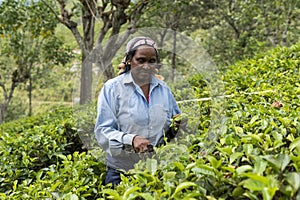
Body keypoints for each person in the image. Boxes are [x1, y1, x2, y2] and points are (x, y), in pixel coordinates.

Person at [94, 36, 183, 187]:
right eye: (141, 60)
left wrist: (179, 125)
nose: (146, 66)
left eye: (151, 61)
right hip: (121, 170)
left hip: (155, 168)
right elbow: (103, 130)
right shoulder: (112, 88)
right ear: (129, 60)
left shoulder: (163, 89)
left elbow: (174, 120)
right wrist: (132, 139)